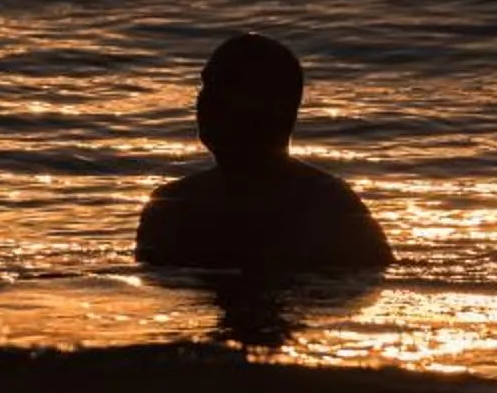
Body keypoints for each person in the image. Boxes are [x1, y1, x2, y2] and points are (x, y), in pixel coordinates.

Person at [134, 32, 391, 280]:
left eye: (230, 86)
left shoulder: (329, 209)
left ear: (278, 106)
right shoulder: (171, 205)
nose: (207, 100)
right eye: (205, 85)